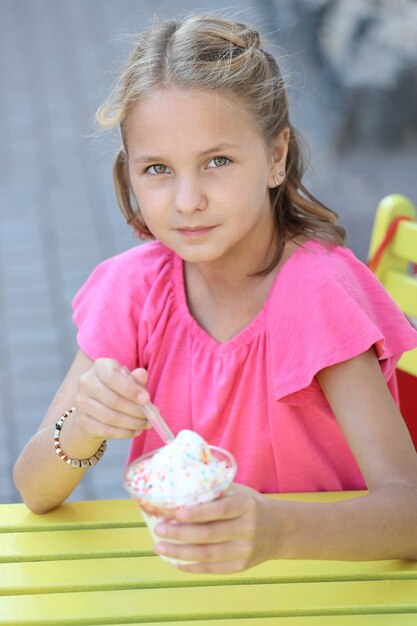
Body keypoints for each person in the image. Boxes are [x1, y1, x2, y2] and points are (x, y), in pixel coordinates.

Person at [13, 13, 417, 572]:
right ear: (128, 172)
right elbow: (34, 489)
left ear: (276, 157)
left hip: (323, 588)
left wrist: (276, 530)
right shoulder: (134, 290)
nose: (187, 200)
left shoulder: (315, 295)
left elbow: (409, 511)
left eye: (217, 162)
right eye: (157, 169)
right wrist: (83, 424)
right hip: (190, 590)